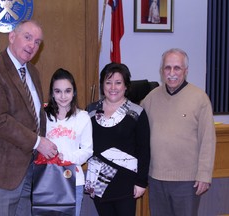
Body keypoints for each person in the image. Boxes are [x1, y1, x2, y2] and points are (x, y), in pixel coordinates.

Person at [0, 20, 58, 216]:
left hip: (26, 174)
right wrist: (37, 142)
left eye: (37, 42)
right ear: (12, 37)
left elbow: (35, 116)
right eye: (28, 37)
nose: (32, 45)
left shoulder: (32, 71)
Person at [141, 48, 216, 216]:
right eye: (167, 68)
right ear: (161, 71)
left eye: (177, 68)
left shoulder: (199, 98)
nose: (172, 73)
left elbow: (208, 140)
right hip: (156, 178)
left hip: (187, 181)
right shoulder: (150, 98)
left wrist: (204, 174)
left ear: (186, 71)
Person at [85, 62, 150, 216]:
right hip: (98, 181)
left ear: (126, 86)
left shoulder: (137, 112)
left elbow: (144, 150)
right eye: (108, 82)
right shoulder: (91, 110)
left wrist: (141, 182)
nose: (112, 87)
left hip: (125, 183)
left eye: (118, 82)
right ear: (102, 85)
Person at [43, 68, 93, 216]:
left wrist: (65, 158)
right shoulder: (44, 116)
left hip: (73, 182)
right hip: (47, 181)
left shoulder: (83, 117)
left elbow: (87, 150)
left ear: (74, 92)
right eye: (58, 91)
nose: (63, 96)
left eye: (68, 91)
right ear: (52, 93)